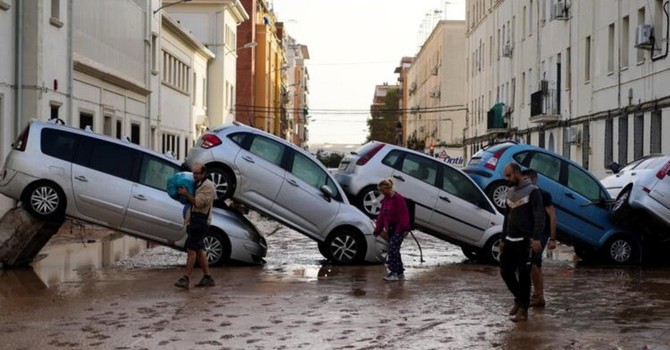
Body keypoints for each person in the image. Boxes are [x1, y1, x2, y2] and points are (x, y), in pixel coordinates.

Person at [500, 163, 545, 322]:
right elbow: (507, 217)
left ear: (517, 174)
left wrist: (536, 238)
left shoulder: (533, 191)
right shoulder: (510, 192)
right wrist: (503, 239)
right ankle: (519, 299)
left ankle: (523, 310)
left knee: (525, 275)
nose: (506, 179)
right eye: (505, 176)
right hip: (510, 240)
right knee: (505, 272)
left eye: (509, 176)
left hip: (526, 241)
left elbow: (539, 216)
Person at [174, 163, 216, 289]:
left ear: (204, 173)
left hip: (200, 222)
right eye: (193, 173)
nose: (194, 176)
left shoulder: (208, 186)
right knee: (199, 250)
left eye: (197, 174)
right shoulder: (197, 183)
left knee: (191, 250)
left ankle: (185, 278)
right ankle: (207, 277)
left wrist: (187, 194)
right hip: (193, 220)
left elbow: (199, 203)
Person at [522, 169, 557, 308]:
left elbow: (552, 216)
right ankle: (537, 295)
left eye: (527, 180)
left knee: (534, 263)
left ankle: (538, 296)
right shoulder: (524, 194)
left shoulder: (543, 195)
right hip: (529, 233)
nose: (524, 183)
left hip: (541, 233)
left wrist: (553, 238)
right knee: (534, 265)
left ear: (534, 179)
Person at [373, 178, 410, 281]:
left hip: (399, 228)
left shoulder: (398, 199)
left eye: (383, 191)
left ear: (388, 188)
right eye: (381, 191)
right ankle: (400, 272)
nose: (382, 193)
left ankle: (393, 273)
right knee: (395, 250)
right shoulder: (385, 200)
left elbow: (404, 214)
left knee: (393, 249)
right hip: (390, 229)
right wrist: (377, 230)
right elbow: (381, 216)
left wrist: (405, 228)